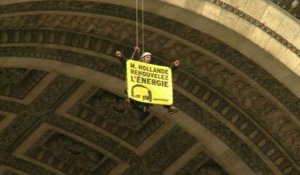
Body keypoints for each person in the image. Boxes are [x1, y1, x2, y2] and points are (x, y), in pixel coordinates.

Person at [115, 48, 180, 116]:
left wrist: (173, 66)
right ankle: (130, 100)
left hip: (149, 87)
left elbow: (163, 73)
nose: (149, 59)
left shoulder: (152, 68)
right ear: (143, 58)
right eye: (147, 57)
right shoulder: (137, 65)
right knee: (133, 91)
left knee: (161, 92)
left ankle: (169, 107)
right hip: (139, 86)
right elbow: (128, 64)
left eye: (150, 57)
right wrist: (121, 56)